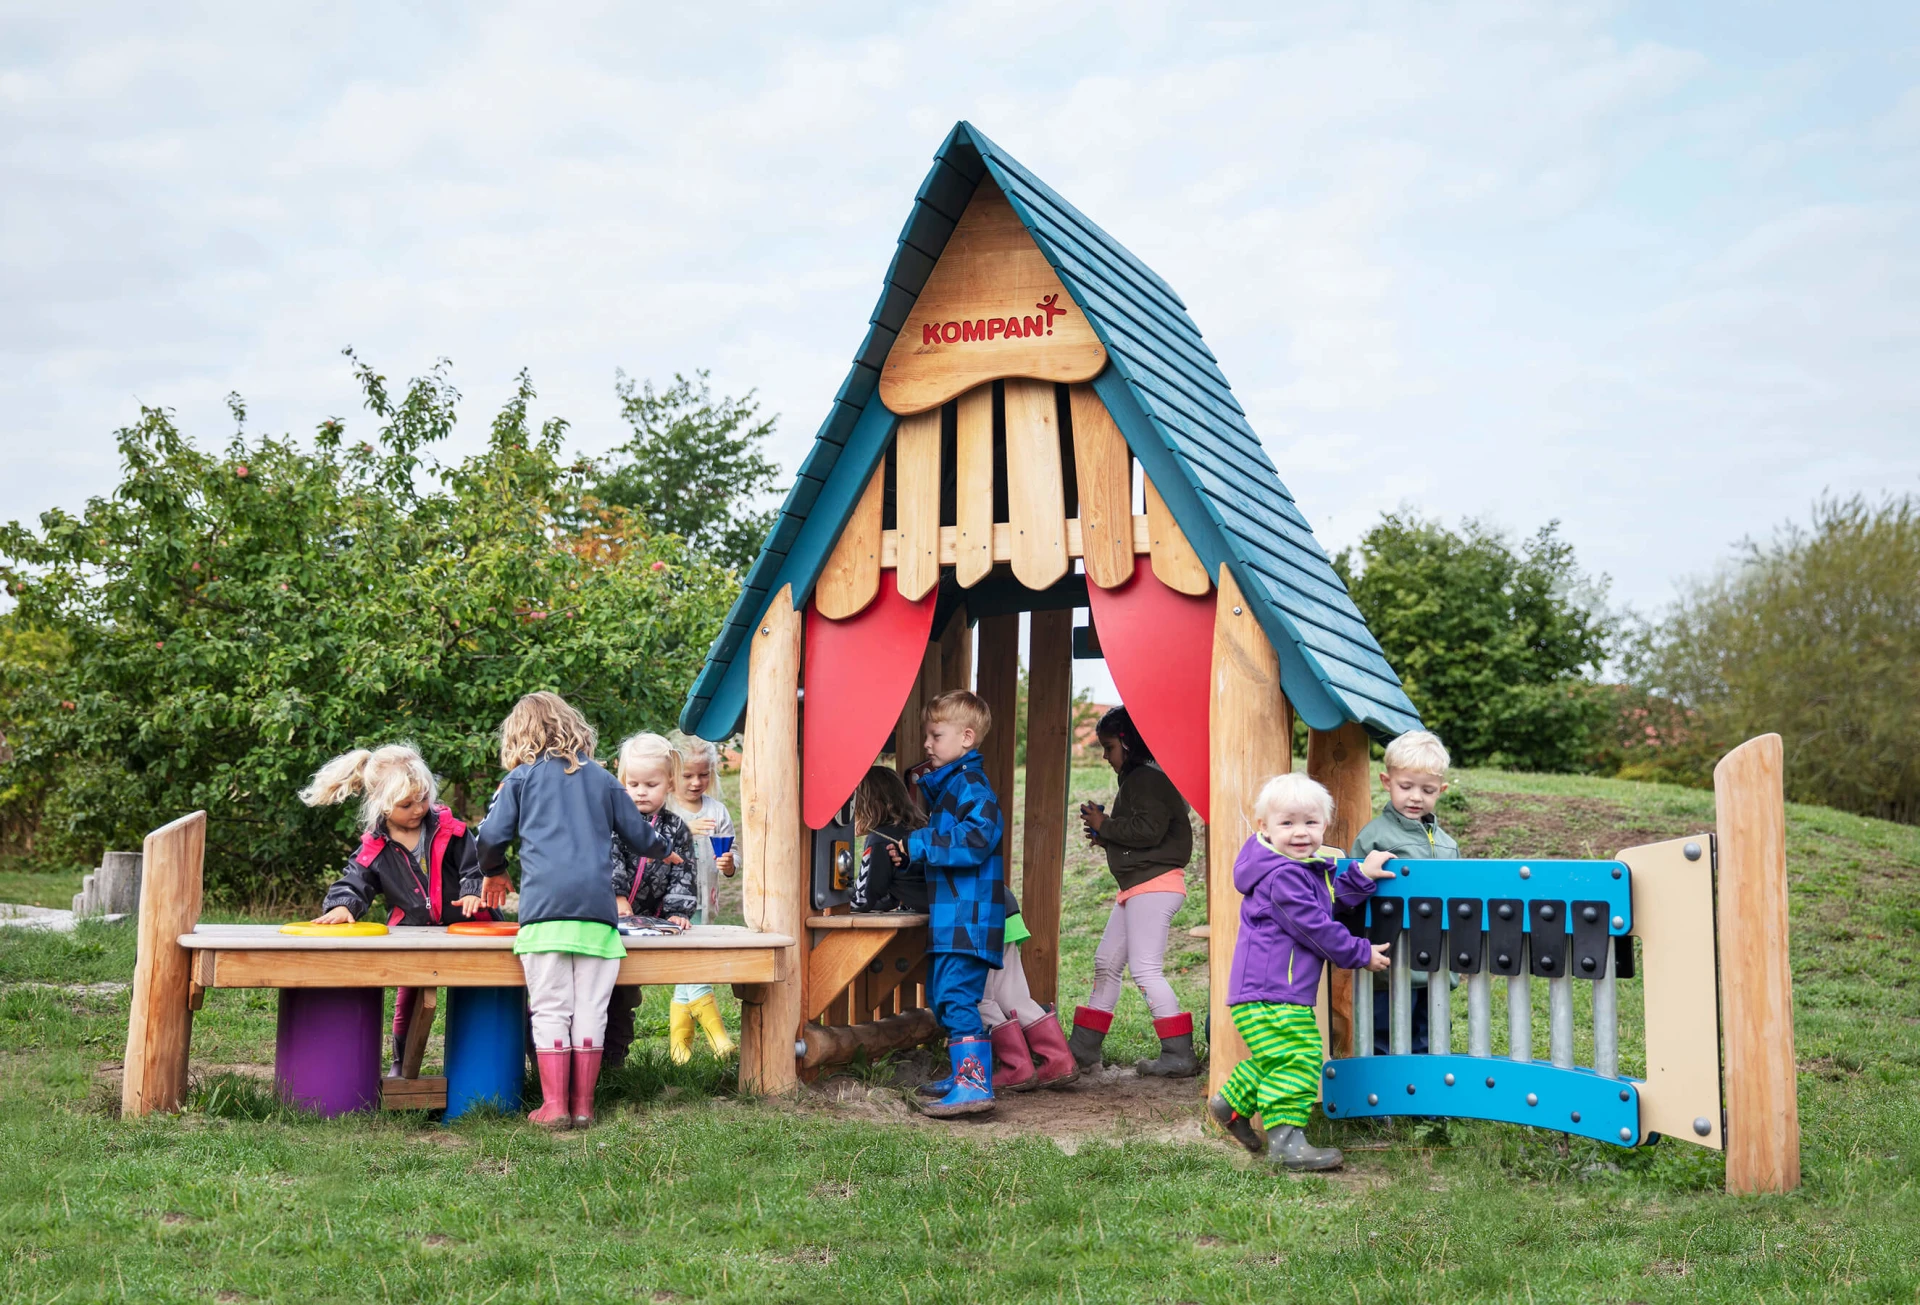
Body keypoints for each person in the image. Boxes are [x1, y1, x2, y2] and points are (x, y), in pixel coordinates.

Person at [474, 692, 673, 1130]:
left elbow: (489, 836)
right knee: (590, 1012)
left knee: (549, 1010)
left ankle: (554, 1106)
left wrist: (494, 871)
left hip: (545, 918)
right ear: (572, 726)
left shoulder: (521, 780)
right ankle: (584, 1106)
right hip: (598, 922)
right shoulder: (602, 779)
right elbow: (642, 835)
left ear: (520, 735)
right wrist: (667, 851)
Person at [1209, 772, 1394, 1171]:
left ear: (1324, 824)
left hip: (1267, 990)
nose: (1300, 833)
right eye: (1287, 823)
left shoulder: (1296, 869)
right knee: (1302, 1057)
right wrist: (1360, 952)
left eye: (1310, 823)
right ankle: (1286, 1141)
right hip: (1272, 990)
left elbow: (1325, 901)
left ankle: (1231, 1104)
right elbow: (1317, 926)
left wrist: (1361, 876)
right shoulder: (1282, 875)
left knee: (1279, 1055)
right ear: (1265, 827)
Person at [301, 743, 486, 1077]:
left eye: (424, 798)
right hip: (412, 929)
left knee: (489, 994)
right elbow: (355, 880)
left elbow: (475, 867)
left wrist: (473, 891)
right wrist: (344, 906)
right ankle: (402, 1064)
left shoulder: (452, 831)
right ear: (382, 804)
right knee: (407, 1000)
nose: (418, 809)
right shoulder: (375, 847)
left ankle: (510, 1062)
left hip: (466, 924)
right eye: (406, 804)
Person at [885, 690, 1006, 1118]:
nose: (928, 744)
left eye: (936, 736)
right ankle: (963, 1075)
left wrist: (918, 842)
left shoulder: (970, 785)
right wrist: (915, 851)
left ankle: (974, 1086)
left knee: (955, 998)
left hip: (968, 920)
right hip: (953, 918)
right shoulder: (950, 787)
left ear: (966, 738)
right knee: (942, 996)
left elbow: (977, 839)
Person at [1069, 706, 1199, 1077]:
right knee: (1107, 962)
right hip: (1139, 887)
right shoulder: (1142, 778)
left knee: (1145, 970)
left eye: (1108, 747)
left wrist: (1106, 824)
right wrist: (1104, 834)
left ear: (1128, 743)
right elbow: (1146, 831)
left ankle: (1179, 1055)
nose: (1105, 757)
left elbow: (1149, 830)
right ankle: (1082, 1051)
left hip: (1153, 887)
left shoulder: (1145, 778)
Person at [1348, 730, 1457, 1055]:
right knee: (1382, 1034)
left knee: (1431, 1036)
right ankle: (1378, 1097)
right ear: (1387, 781)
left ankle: (1427, 1099)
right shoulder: (1374, 839)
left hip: (1436, 963)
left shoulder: (1449, 845)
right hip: (1390, 962)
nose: (1415, 797)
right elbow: (1353, 895)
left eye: (1427, 790)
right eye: (1405, 786)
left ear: (1442, 790)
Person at [604, 732, 698, 1067]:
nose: (641, 791)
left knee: (626, 995)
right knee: (602, 993)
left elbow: (683, 871)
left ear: (670, 784)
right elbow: (607, 859)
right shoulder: (613, 824)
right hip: (608, 921)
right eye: (633, 784)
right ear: (622, 784)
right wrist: (616, 897)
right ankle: (591, 1058)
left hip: (648, 922)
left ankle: (614, 1060)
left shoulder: (676, 829)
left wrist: (677, 910)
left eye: (651, 784)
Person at [663, 731, 738, 1062]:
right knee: (691, 961)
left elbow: (729, 859)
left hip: (702, 900)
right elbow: (650, 850)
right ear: (672, 773)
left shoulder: (717, 810)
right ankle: (718, 1036)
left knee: (688, 965)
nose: (696, 782)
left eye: (703, 775)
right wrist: (685, 832)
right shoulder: (665, 809)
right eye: (688, 775)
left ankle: (680, 1050)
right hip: (671, 901)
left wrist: (730, 864)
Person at [970, 885, 1078, 1092]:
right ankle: (1059, 1061)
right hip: (1005, 909)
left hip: (981, 920)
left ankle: (1016, 1068)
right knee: (1015, 998)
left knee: (981, 1000)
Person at [848, 765, 927, 913]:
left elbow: (863, 899)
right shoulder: (914, 832)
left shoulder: (879, 840)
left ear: (867, 806)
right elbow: (887, 899)